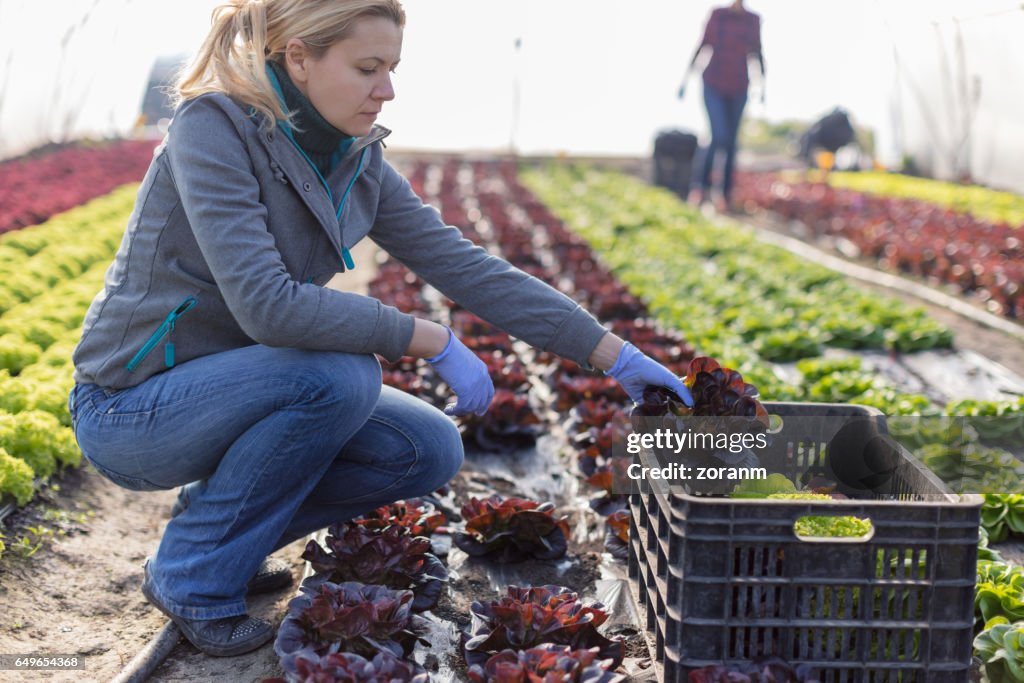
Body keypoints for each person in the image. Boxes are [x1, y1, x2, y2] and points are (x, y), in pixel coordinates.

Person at [67, 0, 693, 658]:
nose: (386, 89)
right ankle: (191, 577)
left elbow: (468, 268)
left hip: (231, 395)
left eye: (392, 68)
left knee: (426, 446)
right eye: (368, 67)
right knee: (338, 376)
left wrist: (615, 354)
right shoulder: (215, 127)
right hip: (133, 407)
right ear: (300, 58)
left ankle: (225, 537)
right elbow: (267, 306)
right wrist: (430, 338)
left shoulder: (353, 159)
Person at [678, 0, 765, 211]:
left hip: (739, 86)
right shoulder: (718, 15)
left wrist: (763, 86)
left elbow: (757, 52)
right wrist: (685, 79)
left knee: (731, 142)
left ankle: (724, 194)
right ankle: (700, 187)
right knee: (718, 136)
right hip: (713, 83)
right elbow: (703, 44)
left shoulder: (752, 20)